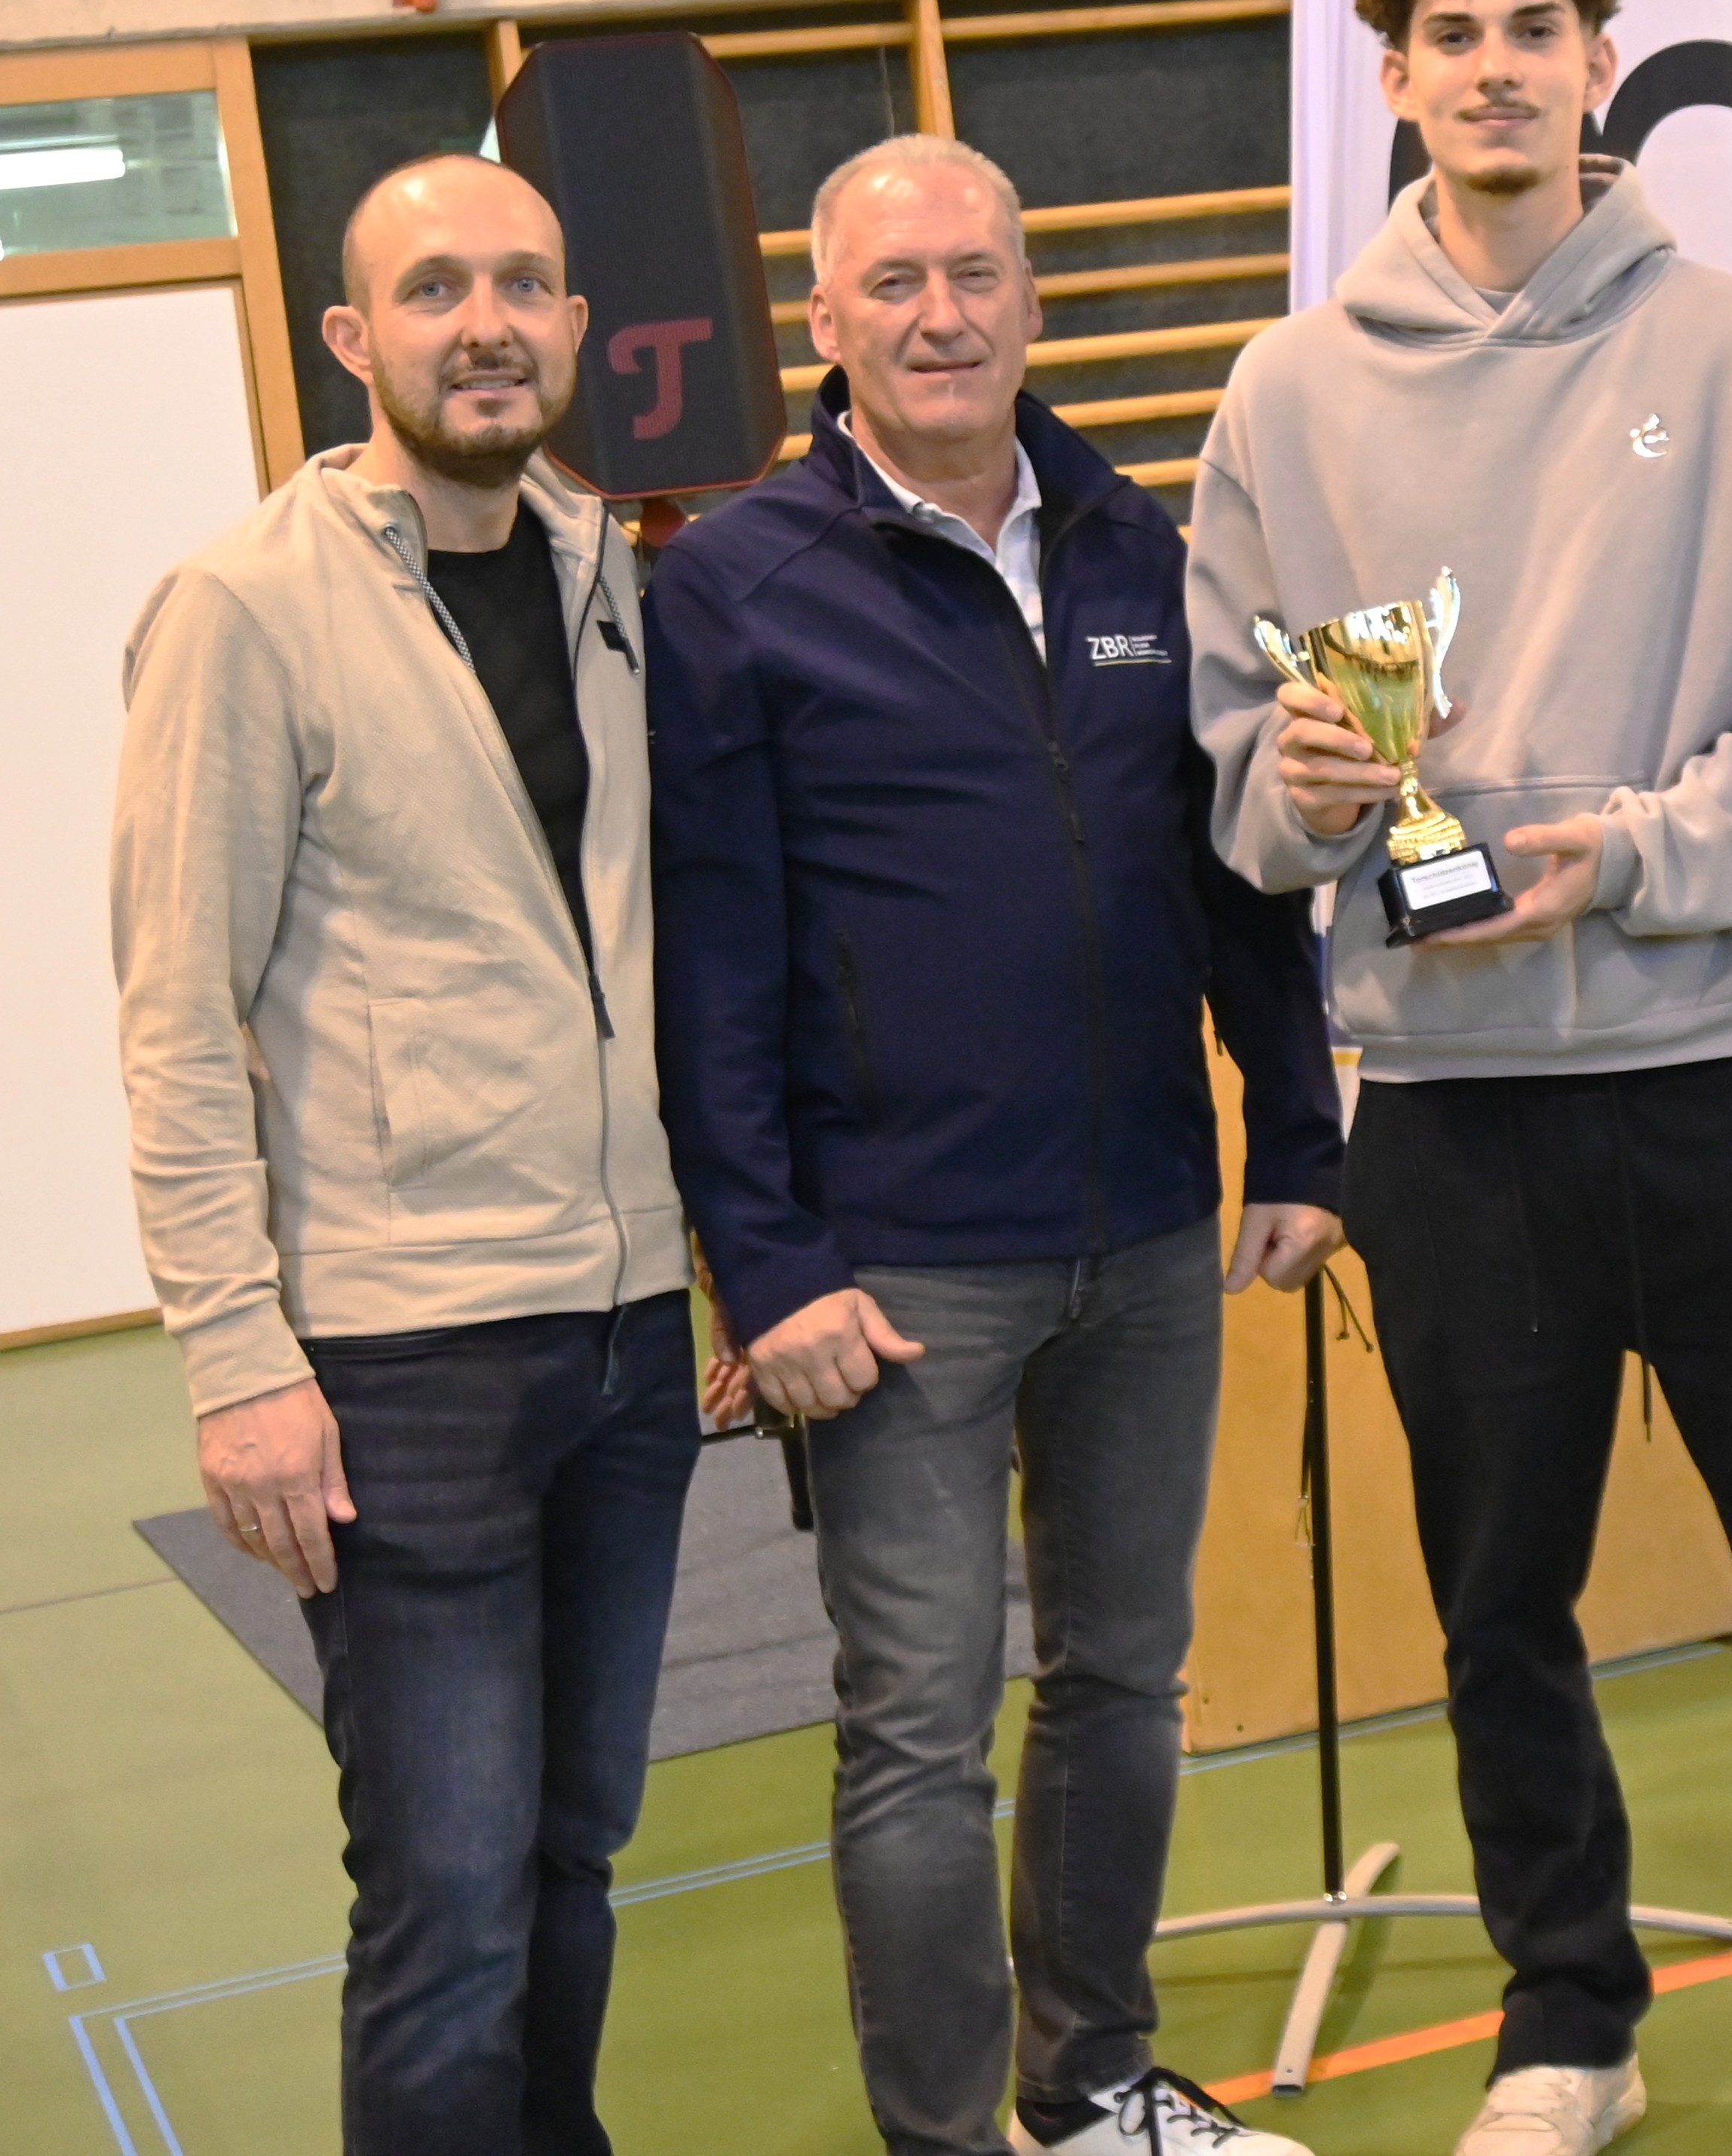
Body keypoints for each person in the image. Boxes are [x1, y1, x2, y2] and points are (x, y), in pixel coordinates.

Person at [1188, 0, 1732, 2156]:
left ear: (1602, 62)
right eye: (1454, 36)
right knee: (1500, 1607)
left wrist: (1642, 853)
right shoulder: (1287, 392)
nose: (1496, 70)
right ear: (1393, 78)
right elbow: (1237, 779)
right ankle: (1566, 2026)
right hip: (1454, 1106)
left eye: (1535, 29)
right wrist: (1306, 788)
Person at [646, 132, 1345, 2156]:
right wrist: (766, 1263)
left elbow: (1235, 876)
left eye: (974, 274)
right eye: (894, 282)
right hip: (897, 1274)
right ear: (824, 318)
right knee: (917, 1731)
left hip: (1145, 1237)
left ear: (1031, 298)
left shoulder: (1140, 545)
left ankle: (1089, 2083)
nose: (940, 315)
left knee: (1123, 1677)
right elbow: (710, 957)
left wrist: (1297, 1132)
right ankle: (944, 2136)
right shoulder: (737, 584)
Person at [112, 153, 695, 2154]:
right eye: (435, 287)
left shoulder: (617, 573)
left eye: (524, 283)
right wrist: (235, 1353)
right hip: (400, 1358)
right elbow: (176, 1013)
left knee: (573, 1849)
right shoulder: (244, 609)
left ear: (575, 327)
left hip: (625, 1331)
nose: (487, 323)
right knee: (449, 1899)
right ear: (353, 337)